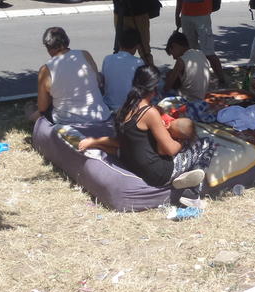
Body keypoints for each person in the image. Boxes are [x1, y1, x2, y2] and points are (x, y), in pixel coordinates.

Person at [77, 66, 215, 192]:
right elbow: (170, 149)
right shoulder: (149, 113)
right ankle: (194, 190)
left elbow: (123, 142)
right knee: (207, 142)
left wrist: (95, 141)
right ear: (154, 88)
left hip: (130, 163)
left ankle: (190, 179)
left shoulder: (125, 108)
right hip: (157, 174)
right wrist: (182, 142)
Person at [35, 27, 111, 125]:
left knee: (35, 112)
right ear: (67, 41)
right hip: (100, 116)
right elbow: (97, 80)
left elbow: (42, 107)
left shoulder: (46, 69)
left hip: (66, 121)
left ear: (48, 47)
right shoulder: (85, 54)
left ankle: (30, 115)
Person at [101, 27, 145, 111]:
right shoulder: (138, 62)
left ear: (119, 43)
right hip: (129, 108)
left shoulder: (107, 59)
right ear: (137, 46)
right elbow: (141, 88)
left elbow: (103, 83)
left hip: (108, 106)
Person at [164, 31, 212, 102]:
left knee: (166, 78)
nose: (174, 58)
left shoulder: (181, 61)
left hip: (188, 100)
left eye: (172, 53)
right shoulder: (200, 53)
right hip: (201, 96)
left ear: (175, 46)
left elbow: (167, 87)